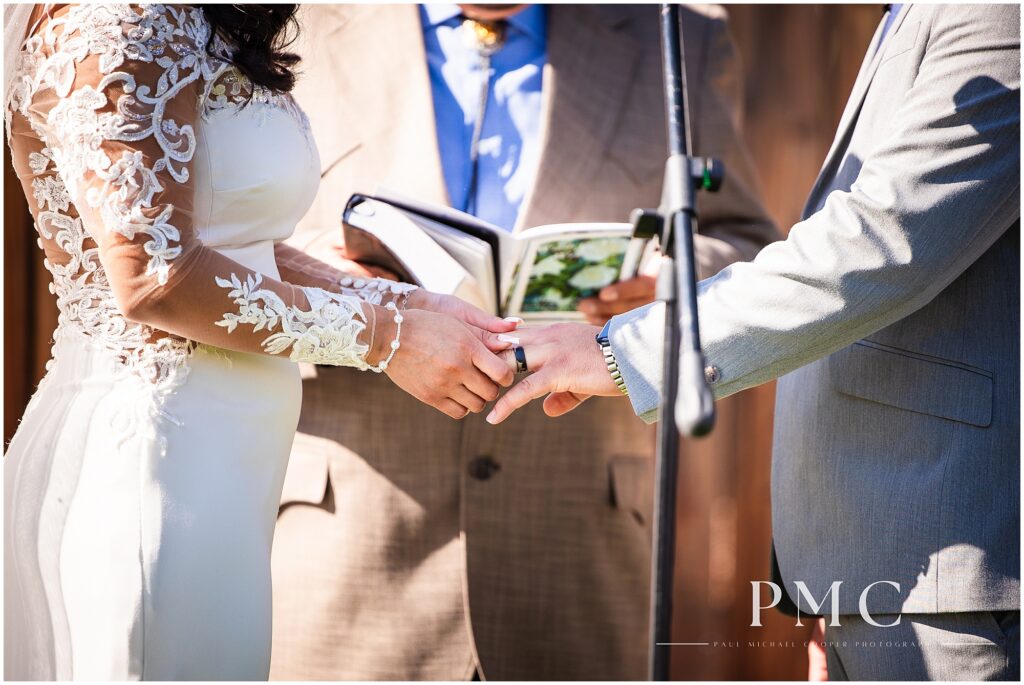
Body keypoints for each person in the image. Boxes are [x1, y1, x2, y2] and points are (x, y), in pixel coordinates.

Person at [489, 4, 1020, 680]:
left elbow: (882, 242)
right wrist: (835, 580)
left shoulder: (1000, 14)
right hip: (885, 570)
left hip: (960, 574)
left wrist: (628, 348)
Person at [2, 4, 517, 680]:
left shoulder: (191, 17)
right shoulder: (119, 18)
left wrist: (411, 305)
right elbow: (156, 278)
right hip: (154, 460)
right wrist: (388, 338)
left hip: (225, 469)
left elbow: (243, 244)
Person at [270, 3, 777, 680]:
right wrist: (331, 276)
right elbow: (214, 232)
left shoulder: (678, 31)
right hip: (345, 541)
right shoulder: (293, 15)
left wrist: (667, 281)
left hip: (577, 547)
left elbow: (743, 242)